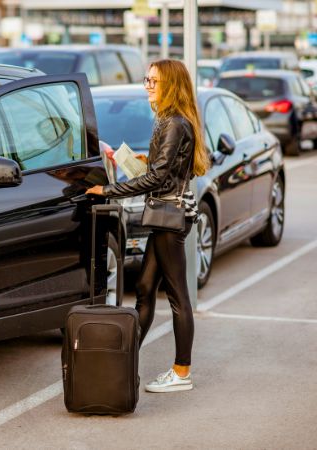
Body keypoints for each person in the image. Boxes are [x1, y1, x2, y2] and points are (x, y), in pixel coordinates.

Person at [86, 59, 210, 393]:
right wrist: (131, 159)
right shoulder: (171, 121)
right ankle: (125, 361)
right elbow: (165, 169)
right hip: (163, 216)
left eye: (153, 81)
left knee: (178, 298)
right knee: (143, 288)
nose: (147, 86)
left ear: (170, 85)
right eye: (146, 80)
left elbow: (157, 178)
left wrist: (108, 190)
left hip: (169, 220)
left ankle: (181, 372)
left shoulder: (174, 124)